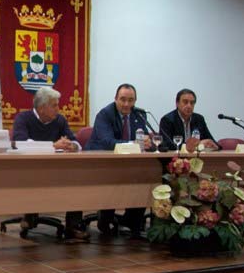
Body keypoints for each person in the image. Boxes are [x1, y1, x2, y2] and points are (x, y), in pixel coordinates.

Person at [12, 86, 89, 240]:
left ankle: (73, 226)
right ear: (41, 108)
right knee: (34, 178)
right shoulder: (23, 118)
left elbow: (77, 143)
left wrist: (71, 145)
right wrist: (53, 146)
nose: (58, 108)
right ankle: (29, 216)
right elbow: (22, 143)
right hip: (28, 169)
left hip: (57, 168)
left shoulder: (59, 120)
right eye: (54, 105)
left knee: (76, 180)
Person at [85, 83, 150, 237]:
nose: (127, 104)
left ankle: (132, 221)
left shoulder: (139, 115)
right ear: (115, 99)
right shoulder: (105, 114)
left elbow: (144, 139)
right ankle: (105, 220)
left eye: (131, 100)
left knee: (144, 176)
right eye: (122, 99)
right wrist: (134, 144)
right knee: (113, 178)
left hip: (128, 162)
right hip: (100, 161)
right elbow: (108, 142)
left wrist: (148, 142)